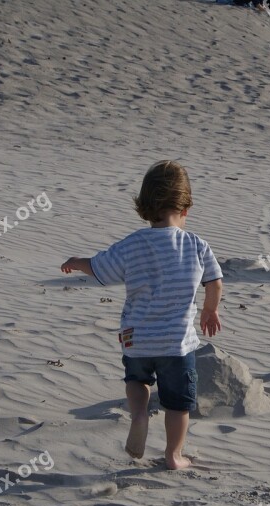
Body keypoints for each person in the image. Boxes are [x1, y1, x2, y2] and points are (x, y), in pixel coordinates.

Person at [60, 160, 223, 470]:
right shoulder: (196, 245)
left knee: (137, 381)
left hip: (137, 339)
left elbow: (100, 269)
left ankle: (138, 415)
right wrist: (210, 310)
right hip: (177, 343)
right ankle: (173, 456)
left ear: (144, 207)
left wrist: (78, 261)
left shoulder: (132, 244)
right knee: (178, 404)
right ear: (185, 208)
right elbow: (214, 281)